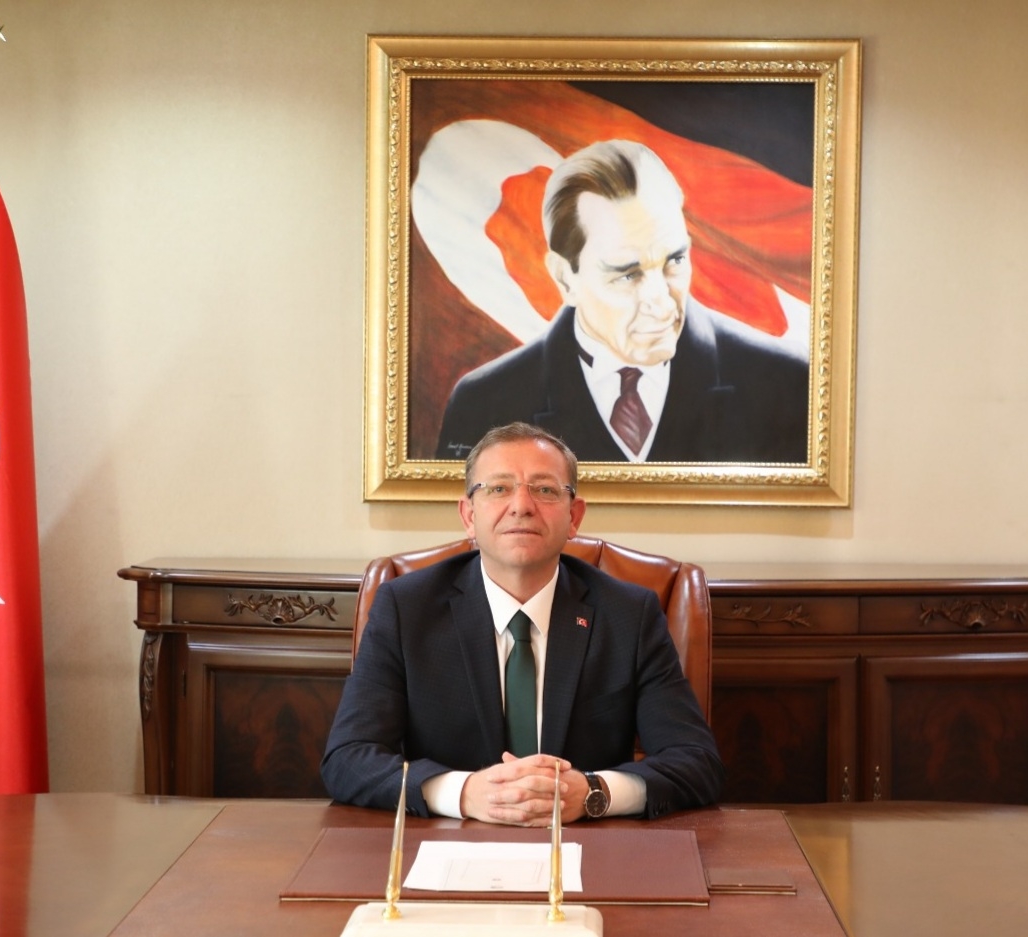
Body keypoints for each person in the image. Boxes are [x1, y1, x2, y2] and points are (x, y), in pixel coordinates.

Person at [322, 422, 723, 824]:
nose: (521, 505)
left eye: (545, 490)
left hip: (586, 844)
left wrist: (593, 792)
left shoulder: (629, 614)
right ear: (468, 515)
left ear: (574, 516)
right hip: (448, 842)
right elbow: (347, 757)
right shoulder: (407, 609)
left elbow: (696, 761)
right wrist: (463, 793)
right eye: (498, 488)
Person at [435, 139, 809, 465]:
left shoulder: (787, 384)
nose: (661, 302)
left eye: (675, 260)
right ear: (565, 278)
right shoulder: (483, 404)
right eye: (628, 275)